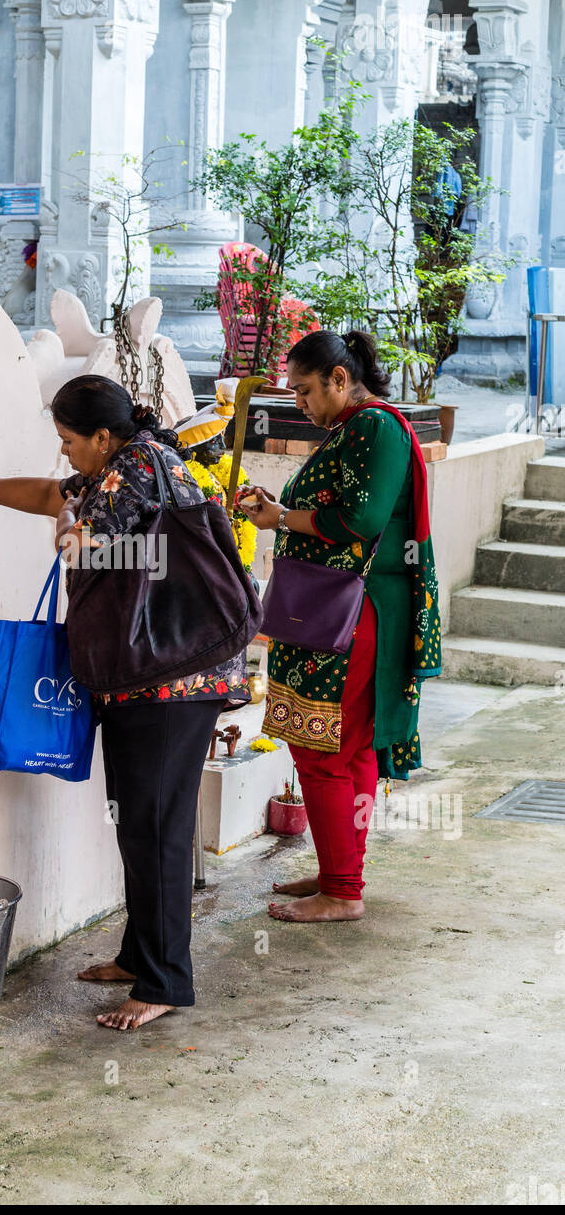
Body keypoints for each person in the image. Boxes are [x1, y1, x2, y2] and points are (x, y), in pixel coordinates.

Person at [0, 377, 250, 1029]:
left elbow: (81, 540)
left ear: (103, 437)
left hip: (175, 678)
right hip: (146, 677)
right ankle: (140, 956)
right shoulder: (119, 466)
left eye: (71, 442)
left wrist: (71, 530)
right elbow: (54, 497)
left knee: (157, 826)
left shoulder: (138, 468)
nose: (66, 455)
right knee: (137, 819)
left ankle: (165, 982)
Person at [238, 329, 441, 924]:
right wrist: (282, 515)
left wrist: (281, 517)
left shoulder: (375, 427)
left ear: (338, 379)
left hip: (355, 614)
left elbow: (362, 519)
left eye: (305, 391)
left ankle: (342, 893)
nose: (299, 403)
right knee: (348, 747)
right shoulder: (351, 430)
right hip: (342, 609)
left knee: (324, 748)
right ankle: (339, 873)